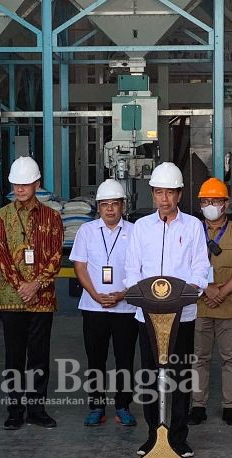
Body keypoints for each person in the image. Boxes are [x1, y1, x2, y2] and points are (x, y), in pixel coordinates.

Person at [125, 162, 210, 458]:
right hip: (147, 317)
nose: (164, 199)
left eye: (170, 193)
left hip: (181, 317)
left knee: (179, 377)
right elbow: (131, 270)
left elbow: (201, 269)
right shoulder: (140, 228)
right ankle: (153, 436)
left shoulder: (193, 226)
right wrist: (142, 294)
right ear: (152, 194)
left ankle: (178, 437)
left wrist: (188, 291)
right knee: (150, 376)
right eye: (159, 193)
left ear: (179, 195)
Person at [0, 156, 64, 430]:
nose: (20, 189)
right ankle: (14, 410)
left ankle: (36, 409)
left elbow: (56, 257)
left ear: (36, 184)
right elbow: (1, 258)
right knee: (14, 356)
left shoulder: (52, 217)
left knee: (38, 356)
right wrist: (23, 286)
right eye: (16, 184)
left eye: (25, 184)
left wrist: (36, 285)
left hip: (42, 300)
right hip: (11, 299)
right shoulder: (1, 217)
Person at [69, 179, 139, 427]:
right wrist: (96, 295)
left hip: (126, 307)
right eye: (105, 204)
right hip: (93, 306)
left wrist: (122, 294)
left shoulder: (134, 231)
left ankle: (123, 406)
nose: (110, 209)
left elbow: (140, 269)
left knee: (125, 358)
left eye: (115, 204)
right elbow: (80, 266)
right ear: (98, 207)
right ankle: (96, 405)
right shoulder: (86, 232)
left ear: (123, 206)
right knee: (95, 358)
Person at [187, 178, 232, 427]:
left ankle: (229, 407)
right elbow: (184, 264)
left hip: (229, 307)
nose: (210, 205)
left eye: (215, 201)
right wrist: (206, 289)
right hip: (198, 305)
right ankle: (198, 406)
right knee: (199, 358)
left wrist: (221, 292)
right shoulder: (192, 230)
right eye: (205, 201)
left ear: (226, 204)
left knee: (229, 357)